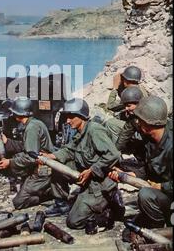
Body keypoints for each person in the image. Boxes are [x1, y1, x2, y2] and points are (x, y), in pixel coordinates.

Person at [44, 98, 124, 234]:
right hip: (87, 176)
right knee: (56, 166)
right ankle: (62, 205)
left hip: (100, 183)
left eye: (71, 117)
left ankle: (110, 205)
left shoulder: (95, 130)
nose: (68, 121)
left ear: (81, 116)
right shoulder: (80, 131)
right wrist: (51, 157)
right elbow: (70, 150)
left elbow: (113, 155)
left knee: (73, 222)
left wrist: (92, 170)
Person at [109, 96, 173, 229]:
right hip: (165, 197)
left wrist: (162, 187)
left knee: (145, 195)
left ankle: (159, 230)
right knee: (129, 233)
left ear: (149, 125)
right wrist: (127, 175)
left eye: (140, 120)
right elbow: (147, 168)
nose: (137, 122)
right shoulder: (149, 141)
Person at [0, 96, 54, 209]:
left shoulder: (32, 128)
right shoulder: (33, 123)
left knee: (19, 203)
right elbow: (26, 147)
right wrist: (7, 141)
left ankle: (49, 193)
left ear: (19, 113)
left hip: (42, 170)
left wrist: (9, 162)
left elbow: (31, 157)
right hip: (38, 167)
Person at [105, 86, 144, 157]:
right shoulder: (133, 118)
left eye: (129, 106)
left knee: (111, 123)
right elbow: (124, 135)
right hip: (141, 143)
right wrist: (114, 154)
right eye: (125, 106)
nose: (126, 108)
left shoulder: (149, 113)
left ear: (138, 103)